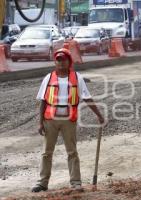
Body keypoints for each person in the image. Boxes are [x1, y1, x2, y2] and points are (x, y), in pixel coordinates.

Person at [32, 48, 105, 192]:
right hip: (50, 120)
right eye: (58, 60)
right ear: (55, 61)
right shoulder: (48, 78)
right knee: (47, 152)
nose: (60, 63)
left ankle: (76, 182)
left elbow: (87, 97)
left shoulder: (77, 78)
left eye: (63, 60)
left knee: (72, 152)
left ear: (69, 61)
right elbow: (43, 101)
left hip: (68, 121)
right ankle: (42, 182)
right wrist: (40, 123)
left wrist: (99, 114)